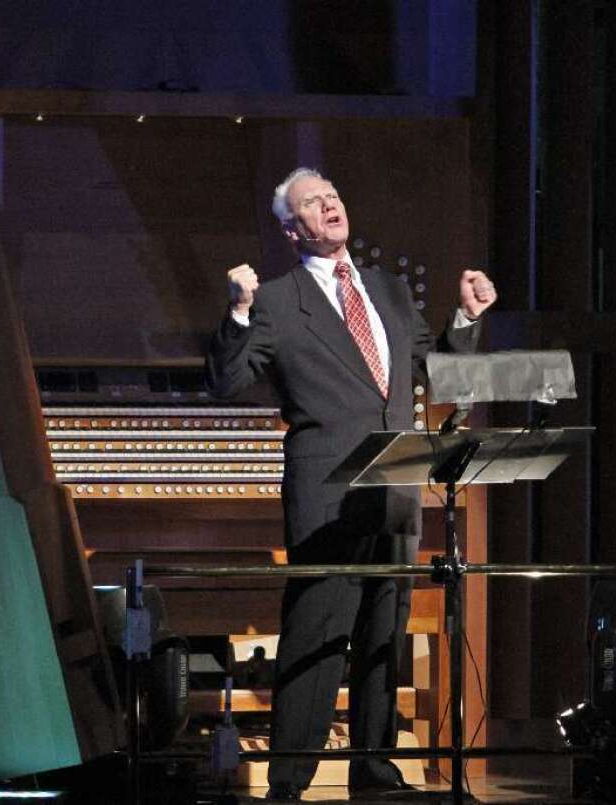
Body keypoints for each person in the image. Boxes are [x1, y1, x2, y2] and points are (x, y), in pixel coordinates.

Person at [205, 167, 496, 800]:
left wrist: (467, 320)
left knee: (382, 633)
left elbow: (440, 371)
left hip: (395, 486)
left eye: (334, 194)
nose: (331, 204)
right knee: (317, 633)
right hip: (327, 491)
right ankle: (288, 782)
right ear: (291, 228)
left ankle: (375, 770)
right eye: (313, 202)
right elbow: (227, 381)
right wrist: (237, 310)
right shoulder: (278, 301)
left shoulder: (388, 290)